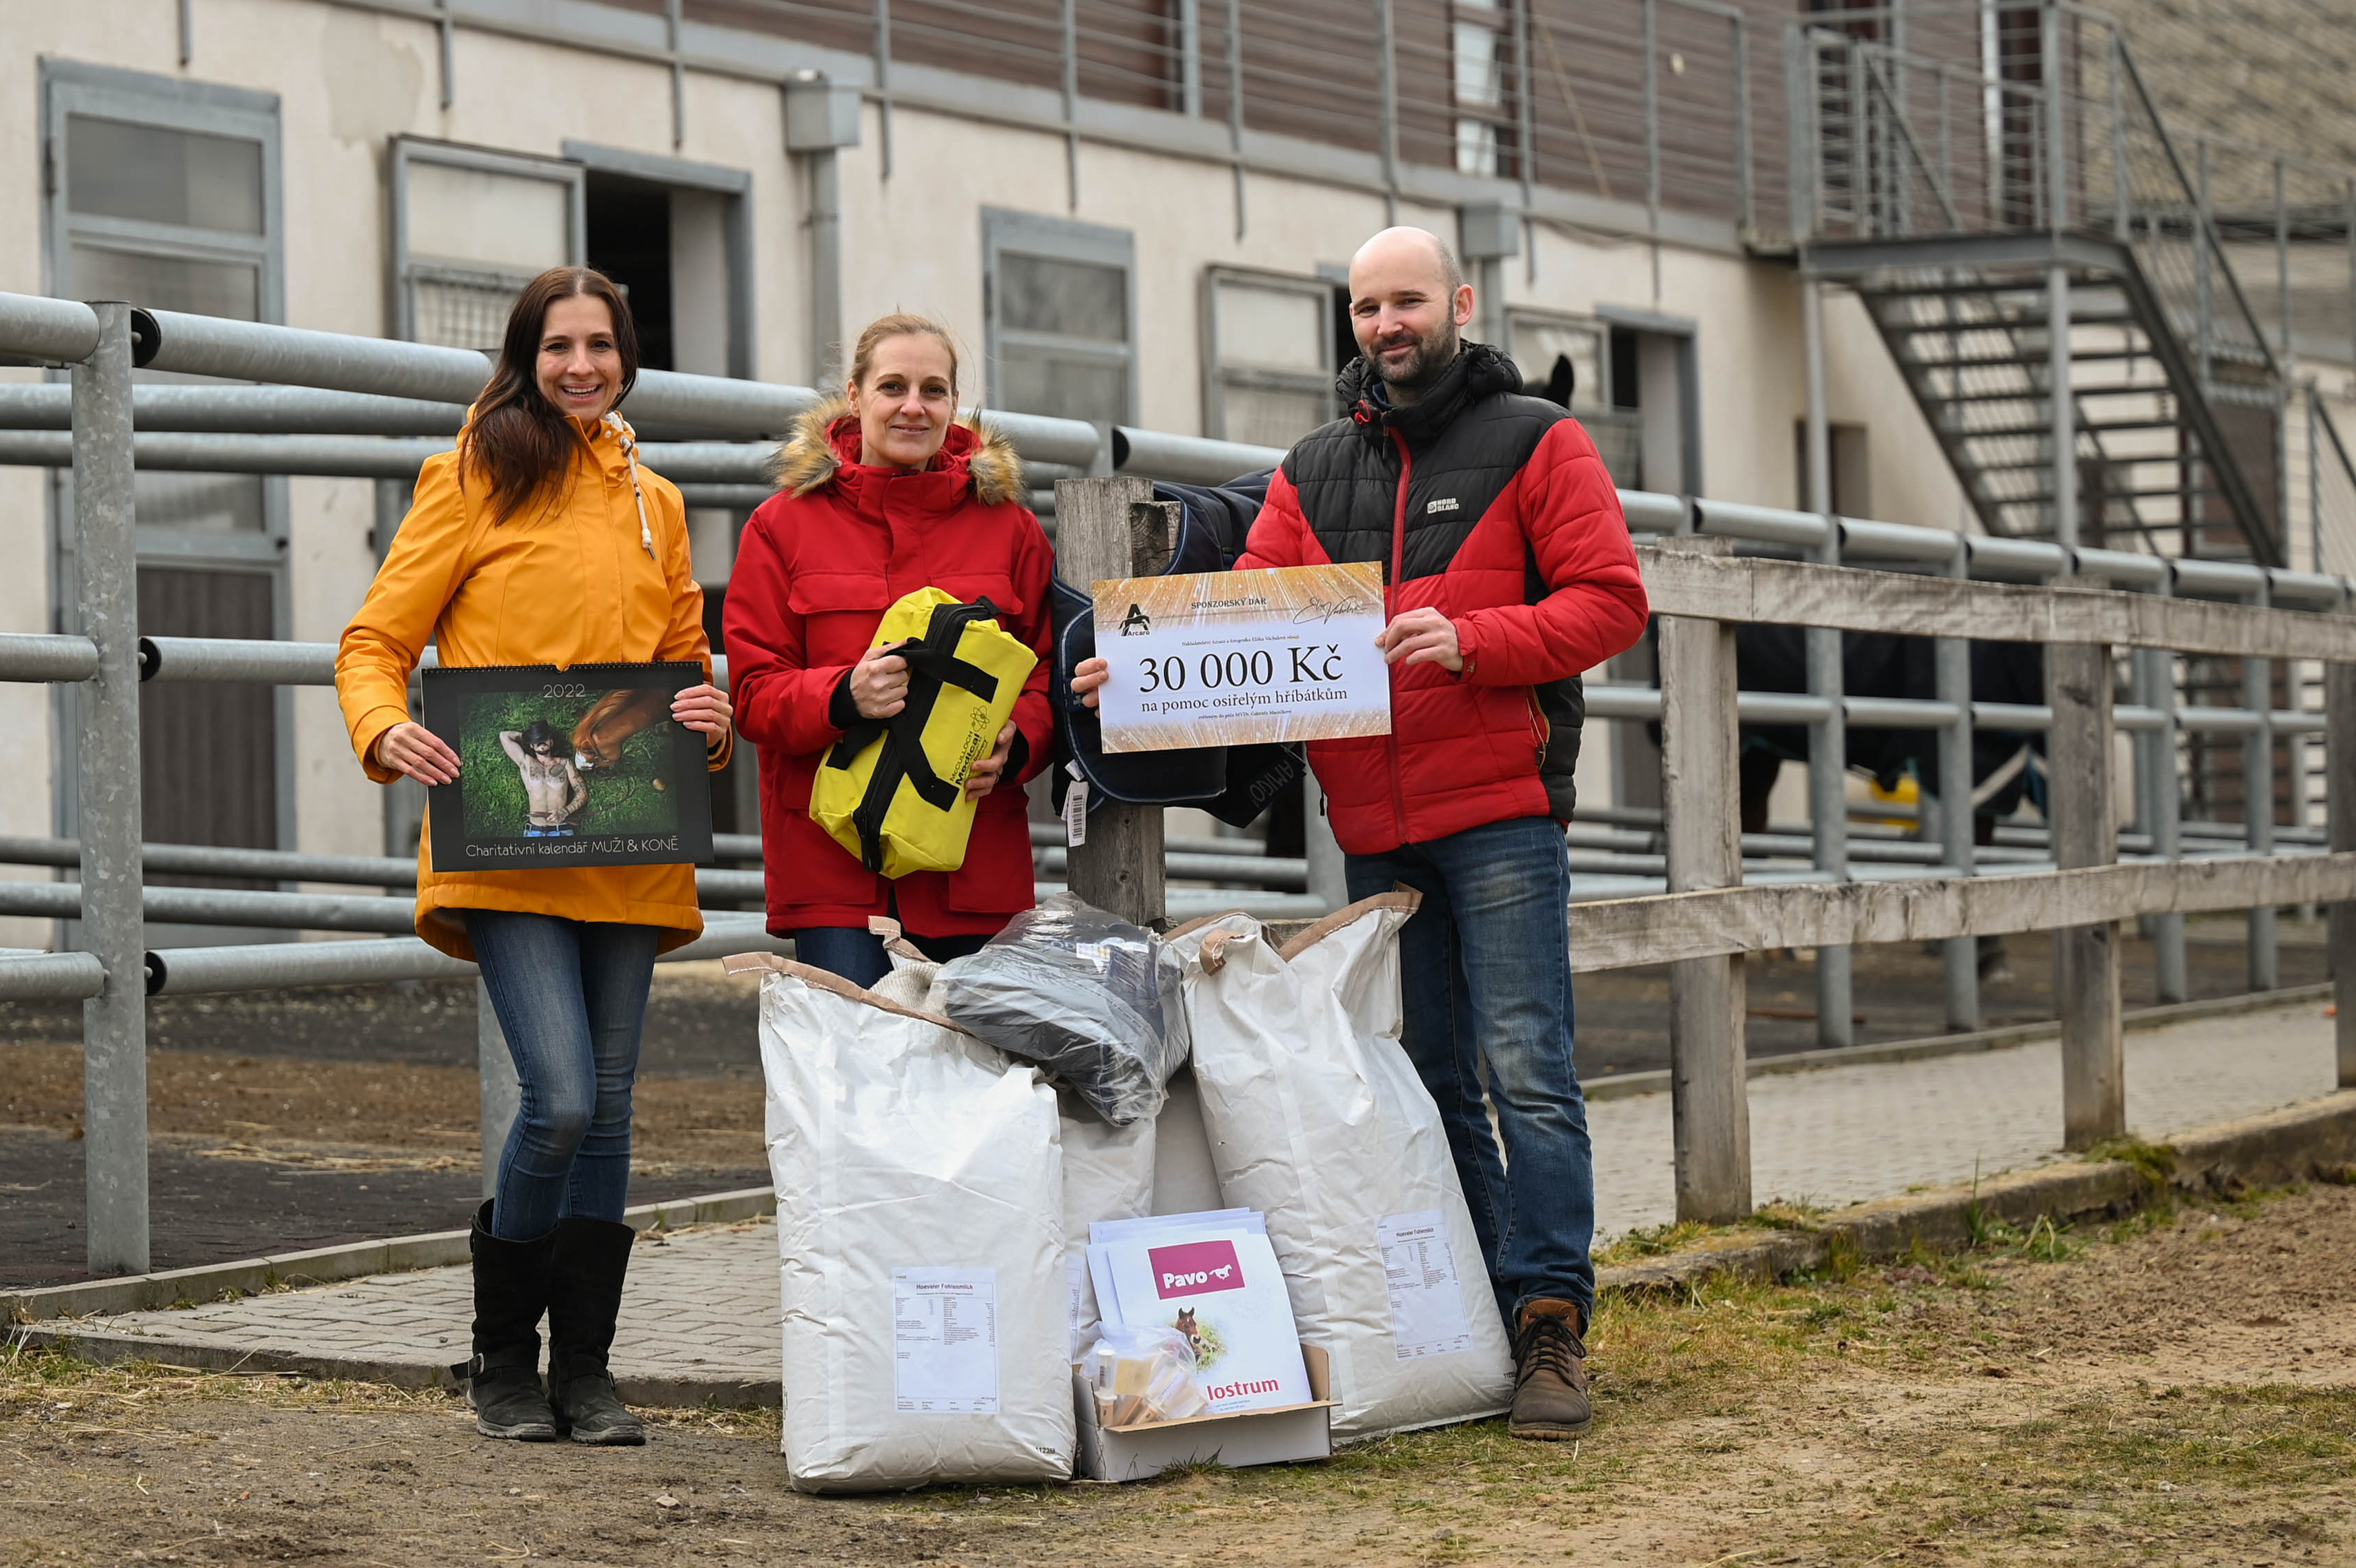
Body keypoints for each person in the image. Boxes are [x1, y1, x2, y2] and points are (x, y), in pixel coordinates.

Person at [1077, 227, 1648, 1440]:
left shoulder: (1538, 442)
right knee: (1426, 1073)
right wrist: (1129, 671)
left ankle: (1551, 1319)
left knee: (1528, 1071)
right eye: (1364, 305)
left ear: (1456, 300)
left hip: (1496, 811)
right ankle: (1487, 1311)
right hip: (1374, 824)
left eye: (1405, 300)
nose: (1386, 323)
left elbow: (1609, 602)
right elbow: (1257, 618)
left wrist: (1475, 640)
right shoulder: (1311, 466)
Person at [335, 266, 734, 1447]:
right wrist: (381, 726)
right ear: (524, 355)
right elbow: (374, 639)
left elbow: (682, 661)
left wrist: (707, 721)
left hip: (628, 844)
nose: (578, 366)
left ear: (624, 358)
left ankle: (588, 1374)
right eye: (556, 345)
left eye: (598, 346)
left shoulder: (657, 501)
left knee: (609, 1115)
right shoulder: (470, 473)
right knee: (557, 1097)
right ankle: (501, 1360)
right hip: (504, 838)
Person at [725, 313, 1054, 986]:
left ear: (954, 404)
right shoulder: (781, 527)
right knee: (854, 1079)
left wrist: (1017, 743)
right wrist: (844, 696)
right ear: (855, 395)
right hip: (833, 870)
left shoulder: (1011, 530)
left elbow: (1045, 670)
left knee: (970, 1083)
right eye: (892, 386)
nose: (913, 406)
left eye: (933, 390)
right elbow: (754, 694)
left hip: (970, 858)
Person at [502, 721, 588, 836]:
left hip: (561, 831)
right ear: (531, 745)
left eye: (544, 738)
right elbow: (504, 736)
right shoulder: (526, 763)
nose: (541, 742)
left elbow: (582, 792)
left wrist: (565, 812)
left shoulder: (565, 763)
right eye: (537, 741)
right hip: (534, 832)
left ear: (551, 742)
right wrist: (530, 737)